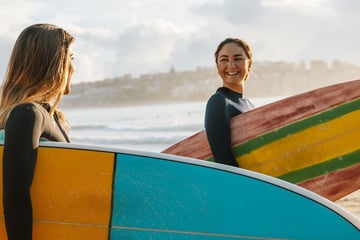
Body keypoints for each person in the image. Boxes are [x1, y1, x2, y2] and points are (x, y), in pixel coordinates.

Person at [0, 23, 75, 240]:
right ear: (54, 64)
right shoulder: (28, 114)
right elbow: (15, 195)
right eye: (70, 58)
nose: (73, 67)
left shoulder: (52, 117)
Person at [205, 38, 255, 167]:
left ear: (249, 64)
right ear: (217, 66)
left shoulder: (250, 106)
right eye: (224, 60)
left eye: (238, 58)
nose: (231, 65)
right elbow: (223, 162)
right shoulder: (218, 102)